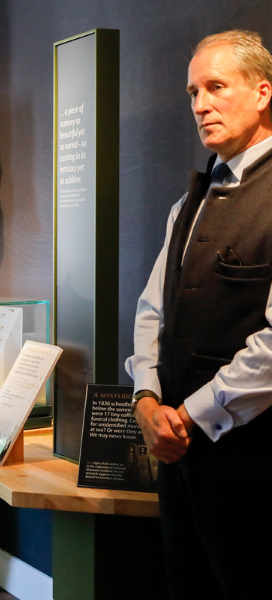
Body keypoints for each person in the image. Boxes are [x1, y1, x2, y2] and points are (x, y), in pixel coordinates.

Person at [126, 30, 272, 598]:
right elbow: (151, 309)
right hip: (180, 465)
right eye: (193, 93)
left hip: (254, 471)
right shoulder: (191, 199)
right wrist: (145, 398)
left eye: (216, 87)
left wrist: (189, 416)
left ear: (262, 92)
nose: (200, 105)